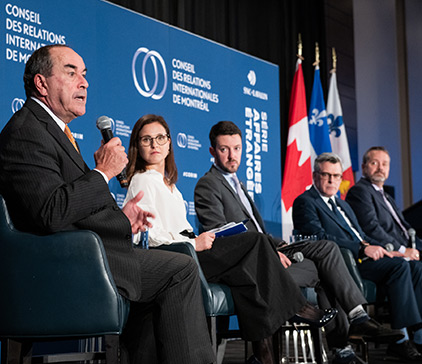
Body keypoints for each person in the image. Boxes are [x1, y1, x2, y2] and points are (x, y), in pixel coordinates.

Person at [0, 45, 216, 364]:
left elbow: (69, 205)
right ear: (41, 84)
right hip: (64, 267)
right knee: (179, 268)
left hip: (91, 254)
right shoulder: (26, 132)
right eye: (71, 72)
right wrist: (103, 172)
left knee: (170, 267)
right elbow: (50, 213)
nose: (84, 82)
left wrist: (121, 217)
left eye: (85, 74)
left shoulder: (54, 132)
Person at [123, 114, 337, 364]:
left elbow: (176, 228)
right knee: (255, 242)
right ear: (137, 146)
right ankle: (298, 308)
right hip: (177, 261)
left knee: (249, 277)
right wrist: (194, 243)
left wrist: (197, 238)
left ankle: (263, 356)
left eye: (160, 138)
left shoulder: (169, 185)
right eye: (146, 139)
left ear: (169, 143)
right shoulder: (142, 180)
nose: (154, 144)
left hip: (189, 250)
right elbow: (145, 236)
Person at [193, 121, 402, 364]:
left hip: (266, 249)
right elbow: (221, 233)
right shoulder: (208, 184)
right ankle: (342, 348)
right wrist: (268, 252)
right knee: (323, 271)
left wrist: (277, 246)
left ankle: (357, 314)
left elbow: (259, 230)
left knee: (326, 251)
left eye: (237, 148)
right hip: (245, 262)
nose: (232, 155)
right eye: (224, 149)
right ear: (212, 151)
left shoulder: (238, 184)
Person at [293, 152, 422, 362]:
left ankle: (416, 335)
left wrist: (382, 248)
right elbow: (319, 238)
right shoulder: (306, 202)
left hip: (362, 258)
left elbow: (362, 235)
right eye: (326, 175)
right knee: (399, 267)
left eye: (336, 176)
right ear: (315, 176)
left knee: (412, 265)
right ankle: (401, 340)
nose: (331, 180)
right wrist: (362, 249)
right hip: (343, 263)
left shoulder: (342, 205)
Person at [346, 146, 422, 257]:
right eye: (374, 163)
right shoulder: (360, 191)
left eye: (385, 164)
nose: (380, 168)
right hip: (389, 252)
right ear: (363, 167)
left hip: (409, 247)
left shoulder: (386, 195)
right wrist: (402, 250)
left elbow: (403, 227)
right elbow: (371, 228)